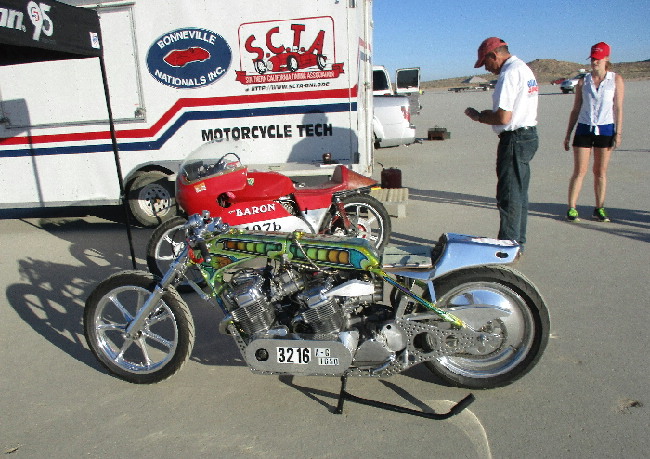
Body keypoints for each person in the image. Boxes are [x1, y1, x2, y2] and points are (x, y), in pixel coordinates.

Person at [465, 37, 539, 250]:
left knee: (509, 195)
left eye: (485, 63)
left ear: (493, 55)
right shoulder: (523, 68)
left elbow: (503, 118)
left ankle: (507, 247)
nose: (487, 69)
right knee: (520, 194)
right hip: (528, 136)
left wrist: (480, 117)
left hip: (515, 139)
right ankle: (518, 243)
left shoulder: (509, 74)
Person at [563, 42, 624, 222]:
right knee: (579, 170)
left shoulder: (616, 80)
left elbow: (618, 108)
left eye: (598, 59)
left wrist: (618, 133)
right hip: (584, 128)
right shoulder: (584, 81)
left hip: (605, 129)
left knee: (600, 171)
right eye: (593, 59)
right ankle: (572, 208)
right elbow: (576, 108)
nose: (595, 62)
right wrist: (568, 134)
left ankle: (599, 208)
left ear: (606, 59)